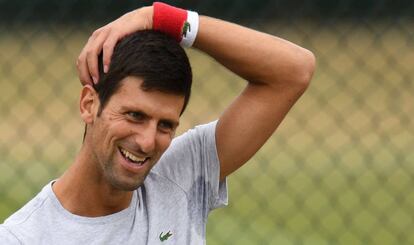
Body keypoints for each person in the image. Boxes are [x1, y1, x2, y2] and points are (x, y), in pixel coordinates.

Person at [0, 2, 315, 244]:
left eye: (166, 125)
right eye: (134, 116)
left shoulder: (183, 172)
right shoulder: (22, 237)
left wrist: (160, 17)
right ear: (89, 104)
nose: (148, 141)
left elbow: (294, 70)